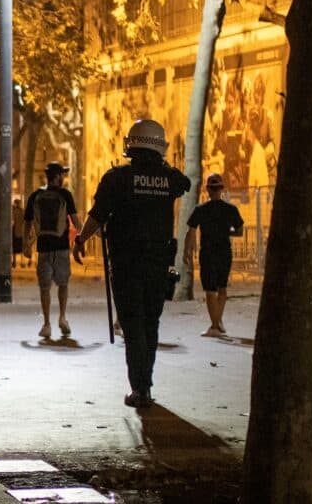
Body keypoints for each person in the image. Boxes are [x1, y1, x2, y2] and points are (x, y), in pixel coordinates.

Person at [75, 119, 191, 408]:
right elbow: (183, 182)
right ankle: (146, 385)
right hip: (158, 264)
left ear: (131, 145)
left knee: (133, 325)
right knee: (151, 324)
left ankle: (139, 388)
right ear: (159, 146)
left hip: (126, 264)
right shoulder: (170, 179)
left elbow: (98, 215)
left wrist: (80, 239)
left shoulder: (116, 179)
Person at [25, 162, 82, 340]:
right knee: (63, 284)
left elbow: (27, 222)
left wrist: (25, 245)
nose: (64, 177)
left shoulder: (36, 195)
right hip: (62, 247)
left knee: (45, 287)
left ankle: (47, 323)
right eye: (62, 175)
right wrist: (82, 239)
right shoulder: (65, 195)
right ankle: (62, 318)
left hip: (43, 248)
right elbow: (75, 220)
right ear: (57, 177)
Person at [184, 173, 244, 337]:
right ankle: (218, 322)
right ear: (222, 189)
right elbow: (239, 230)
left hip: (208, 253)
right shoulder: (231, 209)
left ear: (208, 189)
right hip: (225, 252)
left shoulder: (200, 210)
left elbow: (191, 232)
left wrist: (186, 252)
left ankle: (215, 326)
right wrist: (226, 231)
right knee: (222, 288)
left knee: (210, 290)